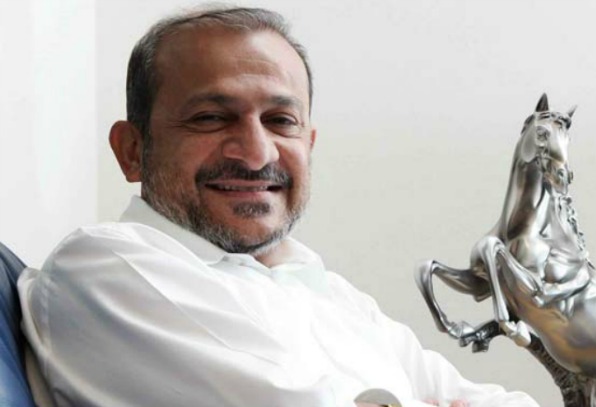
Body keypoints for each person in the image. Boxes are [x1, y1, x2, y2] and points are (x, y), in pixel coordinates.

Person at [18, 6, 539, 407]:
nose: (256, 153)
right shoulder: (104, 267)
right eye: (210, 118)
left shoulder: (328, 292)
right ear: (132, 151)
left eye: (280, 121)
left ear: (308, 144)